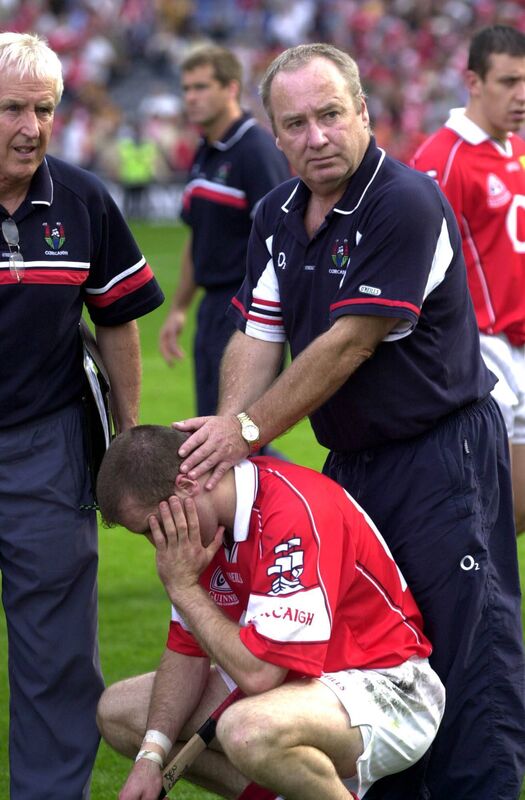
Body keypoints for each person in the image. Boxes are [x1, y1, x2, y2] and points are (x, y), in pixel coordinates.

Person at [172, 43, 525, 799]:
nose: (317, 137)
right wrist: (227, 438)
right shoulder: (276, 213)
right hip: (354, 464)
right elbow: (257, 333)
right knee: (373, 647)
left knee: (469, 648)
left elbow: (349, 344)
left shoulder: (404, 200)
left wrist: (244, 433)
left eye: (331, 115)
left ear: (364, 112)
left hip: (443, 454)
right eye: (296, 124)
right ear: (275, 134)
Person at [94, 424, 445, 800]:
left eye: (151, 528)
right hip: (299, 687)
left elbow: (260, 674)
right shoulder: (200, 532)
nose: (157, 544)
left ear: (187, 486)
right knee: (118, 712)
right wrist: (150, 757)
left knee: (246, 730)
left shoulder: (290, 509)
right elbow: (187, 651)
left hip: (389, 687)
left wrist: (183, 588)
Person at [0, 32, 164, 799]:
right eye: (11, 109)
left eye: (43, 109)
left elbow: (118, 320)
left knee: (57, 651)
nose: (29, 127)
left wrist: (127, 440)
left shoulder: (84, 199)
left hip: (48, 449)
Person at [411, 24, 525, 536]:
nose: (521, 95)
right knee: (478, 517)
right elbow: (414, 264)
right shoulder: (444, 157)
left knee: (514, 512)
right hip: (478, 349)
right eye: (508, 82)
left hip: (518, 345)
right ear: (474, 81)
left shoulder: (514, 149)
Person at [158, 44, 290, 418]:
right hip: (212, 308)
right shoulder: (205, 149)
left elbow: (281, 239)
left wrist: (264, 317)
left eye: (201, 87)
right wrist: (180, 308)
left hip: (245, 310)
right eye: (186, 88)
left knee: (233, 432)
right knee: (216, 427)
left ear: (231, 88)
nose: (190, 97)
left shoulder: (256, 151)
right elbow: (197, 235)